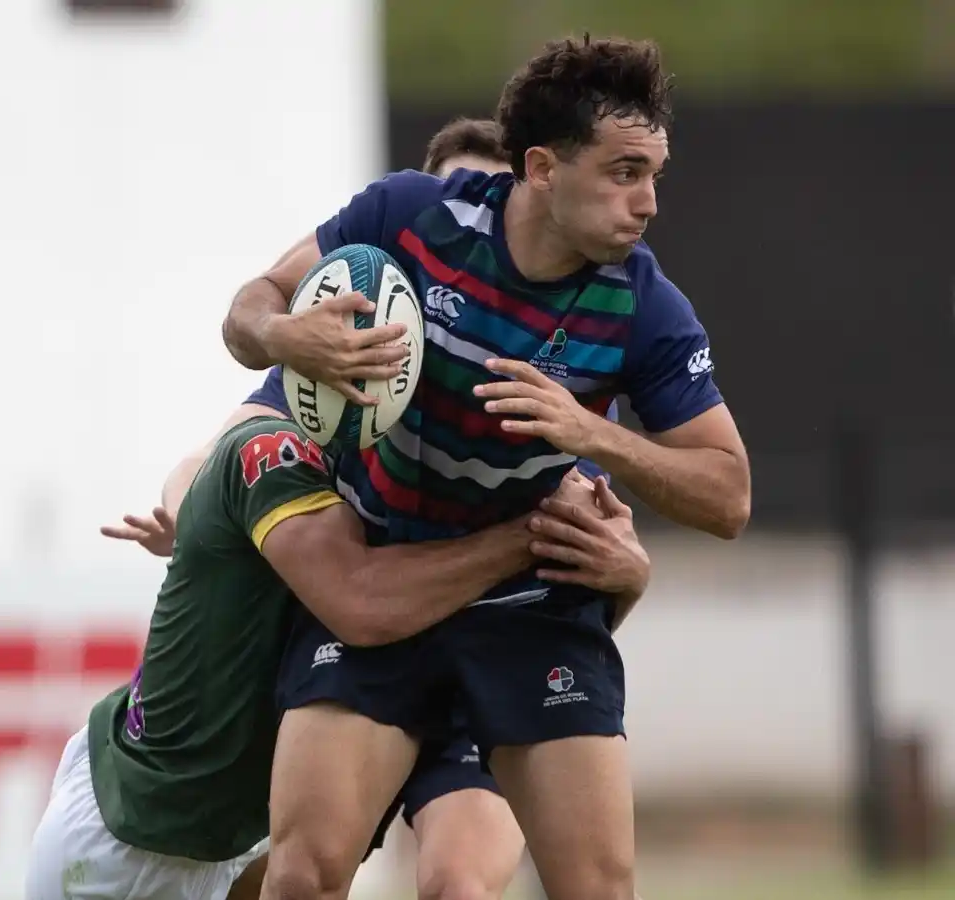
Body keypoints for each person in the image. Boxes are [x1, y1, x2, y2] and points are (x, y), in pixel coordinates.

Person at [221, 36, 750, 900]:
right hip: (381, 585)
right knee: (301, 876)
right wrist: (288, 337)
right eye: (623, 172)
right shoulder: (408, 216)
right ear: (541, 167)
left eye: (654, 173)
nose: (648, 202)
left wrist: (593, 433)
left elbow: (728, 494)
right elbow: (251, 307)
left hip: (530, 606)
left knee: (589, 889)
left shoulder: (644, 305)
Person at [101, 119, 647, 900]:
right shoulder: (341, 371)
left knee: (458, 884)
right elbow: (215, 459)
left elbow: (588, 568)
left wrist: (634, 573)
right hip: (355, 656)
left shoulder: (550, 400)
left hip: (480, 675)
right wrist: (197, 519)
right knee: (280, 876)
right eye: (456, 200)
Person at [25, 411, 639, 900]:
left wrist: (628, 574)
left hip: (241, 832)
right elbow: (358, 598)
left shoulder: (478, 458)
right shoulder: (293, 448)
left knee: (461, 884)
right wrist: (533, 536)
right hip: (135, 827)